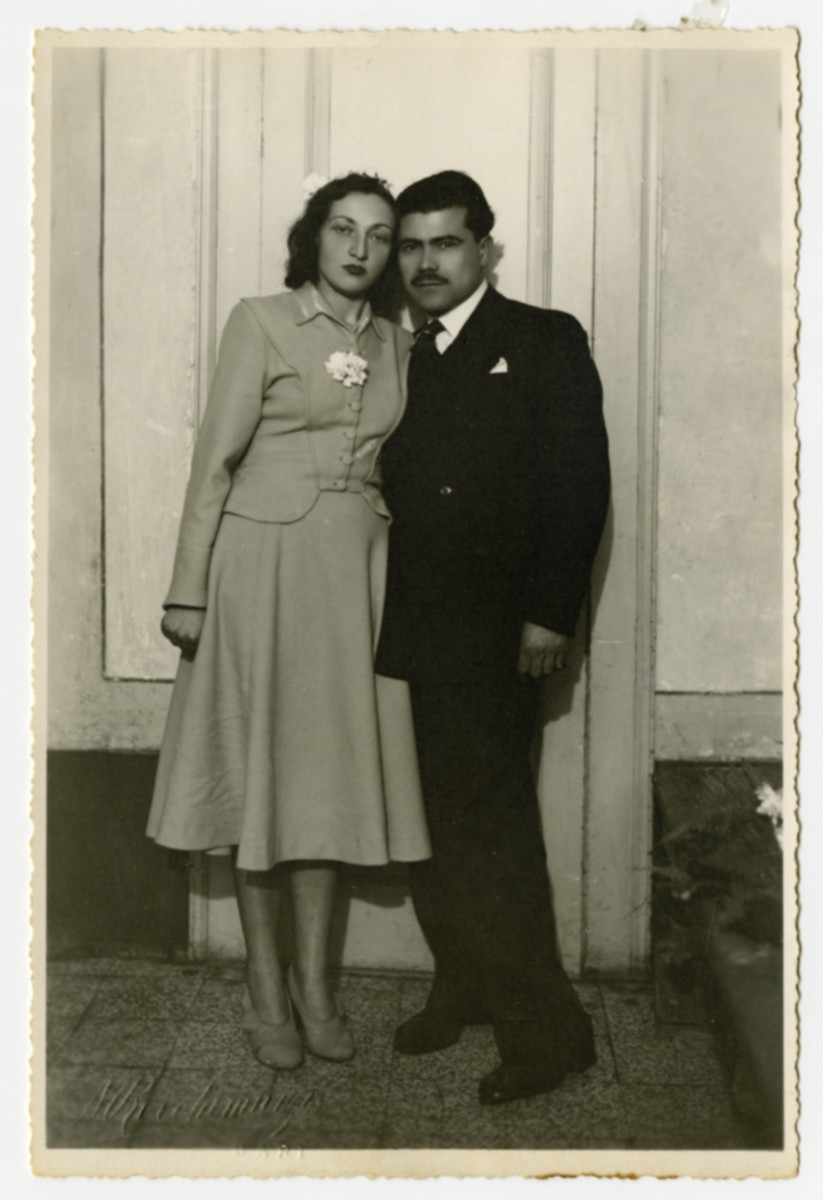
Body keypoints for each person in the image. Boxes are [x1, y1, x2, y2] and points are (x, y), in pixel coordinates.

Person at [147, 173, 431, 1071]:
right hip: (258, 574)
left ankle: (315, 988)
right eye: (342, 230)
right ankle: (265, 991)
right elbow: (212, 465)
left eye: (379, 236)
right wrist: (186, 587)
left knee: (327, 787)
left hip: (355, 578)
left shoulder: (397, 342)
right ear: (312, 239)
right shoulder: (259, 321)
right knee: (261, 778)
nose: (359, 249)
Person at [375, 170, 611, 1105]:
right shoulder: (401, 353)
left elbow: (578, 483)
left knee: (494, 831)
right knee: (428, 824)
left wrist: (550, 611)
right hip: (409, 634)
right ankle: (461, 986)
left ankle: (547, 1032)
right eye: (410, 244)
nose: (424, 262)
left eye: (445, 243)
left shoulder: (544, 339)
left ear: (485, 251)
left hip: (499, 637)